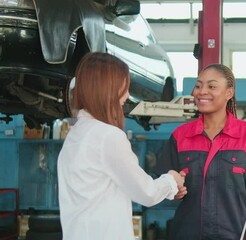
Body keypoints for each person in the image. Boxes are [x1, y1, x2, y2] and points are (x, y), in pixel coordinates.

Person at [57, 52, 185, 240]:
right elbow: (146, 192)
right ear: (108, 89)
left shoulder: (76, 134)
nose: (126, 95)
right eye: (124, 87)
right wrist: (172, 180)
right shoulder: (108, 136)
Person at [156, 63, 246, 240]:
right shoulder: (180, 137)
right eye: (198, 86)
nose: (202, 91)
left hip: (233, 234)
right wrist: (174, 191)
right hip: (187, 234)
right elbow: (163, 184)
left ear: (229, 93)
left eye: (212, 86)